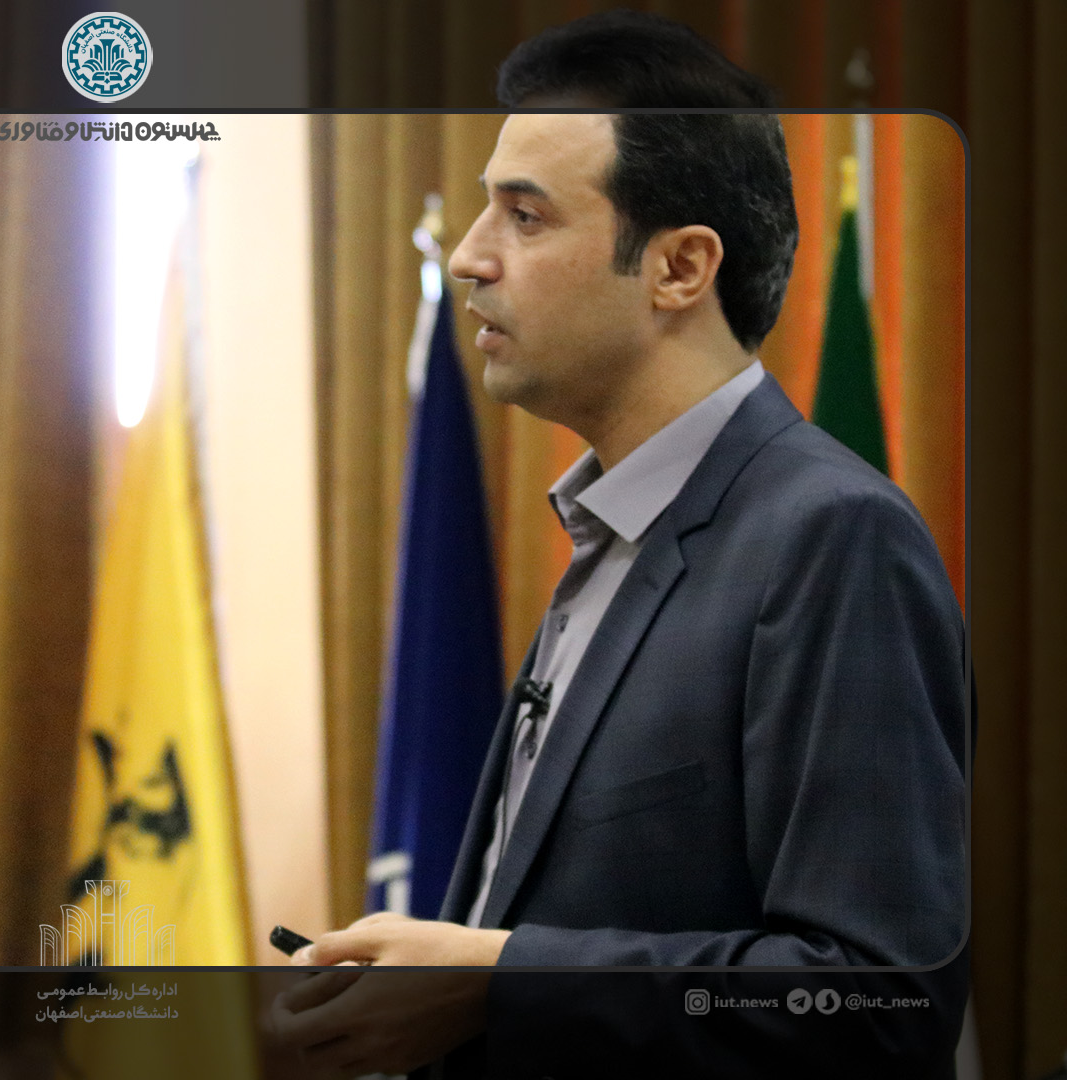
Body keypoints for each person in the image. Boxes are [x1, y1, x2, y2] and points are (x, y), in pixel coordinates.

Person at [266, 11, 968, 1078]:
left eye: (525, 216)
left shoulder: (832, 537)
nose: (469, 256)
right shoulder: (611, 527)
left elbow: (880, 998)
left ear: (680, 267)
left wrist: (505, 982)